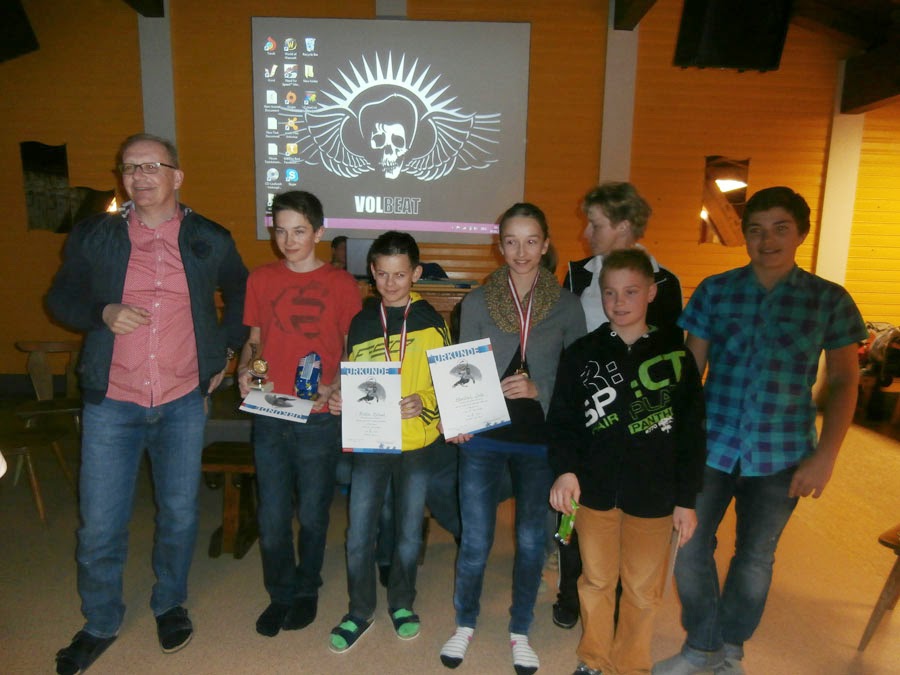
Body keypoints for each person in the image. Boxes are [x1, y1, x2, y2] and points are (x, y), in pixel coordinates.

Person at [47, 133, 248, 674]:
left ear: (176, 176)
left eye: (151, 166)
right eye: (130, 167)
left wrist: (225, 351)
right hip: (113, 399)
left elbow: (241, 291)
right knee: (99, 524)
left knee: (179, 515)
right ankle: (100, 621)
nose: (138, 176)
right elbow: (60, 297)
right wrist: (103, 312)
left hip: (182, 399)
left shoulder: (210, 237)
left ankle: (170, 602)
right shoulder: (95, 235)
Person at [653, 187, 867, 675]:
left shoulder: (829, 300)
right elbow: (689, 375)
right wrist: (675, 445)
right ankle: (702, 646)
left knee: (755, 558)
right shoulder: (715, 291)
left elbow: (843, 381)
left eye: (780, 228)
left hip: (782, 453)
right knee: (689, 545)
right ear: (744, 237)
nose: (767, 240)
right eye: (756, 230)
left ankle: (730, 650)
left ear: (801, 233)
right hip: (712, 445)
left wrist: (826, 456)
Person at [439, 203, 586, 675]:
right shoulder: (478, 302)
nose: (521, 252)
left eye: (530, 241)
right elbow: (462, 367)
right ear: (498, 245)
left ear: (545, 245)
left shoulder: (567, 305)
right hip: (484, 436)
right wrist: (458, 417)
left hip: (540, 440)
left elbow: (577, 377)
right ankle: (465, 622)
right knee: (476, 539)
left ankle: (520, 629)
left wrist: (540, 387)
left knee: (530, 541)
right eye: (511, 241)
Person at [547, 248, 706, 675]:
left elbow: (692, 435)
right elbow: (562, 421)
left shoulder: (677, 357)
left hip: (655, 496)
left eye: (631, 291)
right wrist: (565, 470)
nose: (619, 302)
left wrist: (686, 499)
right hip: (594, 493)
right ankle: (593, 659)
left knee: (641, 589)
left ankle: (632, 665)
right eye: (610, 293)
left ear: (651, 293)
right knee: (596, 581)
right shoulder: (582, 353)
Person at [555, 181, 684, 630]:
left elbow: (668, 355)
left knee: (629, 516)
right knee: (578, 509)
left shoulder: (663, 281)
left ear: (625, 226)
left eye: (595, 224)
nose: (586, 233)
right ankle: (571, 591)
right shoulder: (577, 274)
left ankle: (622, 601)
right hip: (586, 409)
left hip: (636, 416)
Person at [236, 190, 361, 638]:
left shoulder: (342, 284)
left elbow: (351, 350)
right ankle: (280, 594)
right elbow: (254, 340)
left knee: (312, 513)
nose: (288, 241)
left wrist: (338, 385)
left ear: (319, 232)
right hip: (269, 411)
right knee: (271, 516)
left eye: (300, 231)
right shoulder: (261, 279)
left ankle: (307, 589)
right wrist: (245, 370)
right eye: (281, 231)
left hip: (318, 415)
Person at [326, 231, 451, 653]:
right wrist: (340, 398)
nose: (391, 283)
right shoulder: (362, 322)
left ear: (416, 273)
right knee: (358, 532)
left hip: (415, 444)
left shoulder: (431, 322)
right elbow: (351, 377)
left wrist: (423, 401)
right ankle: (359, 610)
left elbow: (447, 385)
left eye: (400, 274)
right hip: (371, 443)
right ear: (372, 273)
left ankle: (401, 603)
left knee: (408, 533)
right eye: (382, 274)